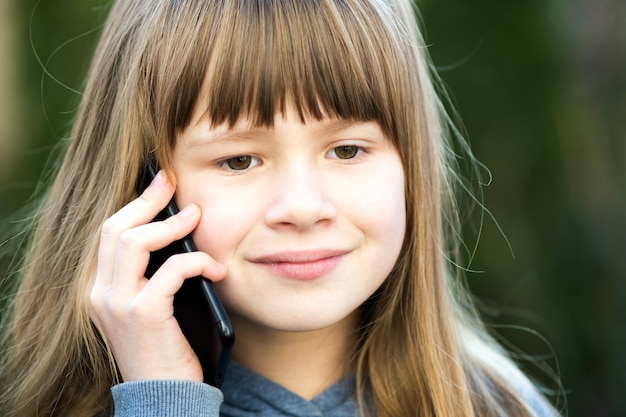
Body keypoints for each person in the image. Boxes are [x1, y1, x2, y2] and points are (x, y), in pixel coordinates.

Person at [0, 0, 562, 416]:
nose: (302, 207)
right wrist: (164, 402)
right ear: (140, 184)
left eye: (347, 149)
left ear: (411, 166)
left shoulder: (503, 406)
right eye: (240, 160)